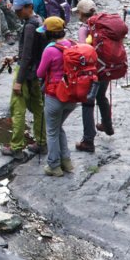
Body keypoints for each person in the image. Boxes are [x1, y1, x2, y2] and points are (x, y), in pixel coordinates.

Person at [0, 0, 46, 160]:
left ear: (29, 7)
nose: (17, 13)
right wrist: (14, 57)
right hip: (37, 72)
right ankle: (41, 143)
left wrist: (18, 82)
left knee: (17, 108)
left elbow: (27, 56)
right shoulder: (39, 20)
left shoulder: (29, 27)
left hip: (25, 73)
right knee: (38, 107)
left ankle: (16, 146)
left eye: (19, 10)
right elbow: (33, 52)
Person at [36, 16, 76, 176]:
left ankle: (54, 166)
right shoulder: (73, 44)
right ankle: (66, 161)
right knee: (58, 127)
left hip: (55, 96)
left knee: (51, 131)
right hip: (72, 96)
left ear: (49, 34)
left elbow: (40, 73)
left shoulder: (50, 49)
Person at [74, 0, 114, 152]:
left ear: (80, 13)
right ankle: (108, 125)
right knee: (102, 96)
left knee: (88, 102)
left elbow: (83, 50)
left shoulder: (84, 29)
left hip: (93, 70)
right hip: (107, 66)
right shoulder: (104, 25)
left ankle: (88, 141)